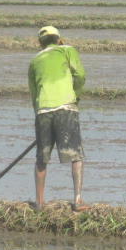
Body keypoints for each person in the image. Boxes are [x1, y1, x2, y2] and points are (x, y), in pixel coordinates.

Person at [28, 26, 88, 211]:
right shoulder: (67, 50)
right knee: (75, 154)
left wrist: (39, 116)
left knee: (41, 158)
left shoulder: (34, 61)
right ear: (59, 40)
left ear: (39, 43)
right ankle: (77, 200)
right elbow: (80, 76)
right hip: (65, 108)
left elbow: (33, 94)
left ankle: (39, 202)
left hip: (43, 111)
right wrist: (75, 96)